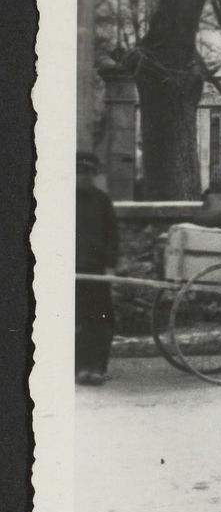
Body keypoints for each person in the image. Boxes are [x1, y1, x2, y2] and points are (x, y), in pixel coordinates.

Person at [75, 151, 120, 385]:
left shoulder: (102, 200)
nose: (84, 177)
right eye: (80, 172)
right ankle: (79, 369)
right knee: (76, 320)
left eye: (88, 173)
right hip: (71, 272)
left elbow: (112, 235)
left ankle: (97, 368)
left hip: (97, 271)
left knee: (102, 320)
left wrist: (111, 266)